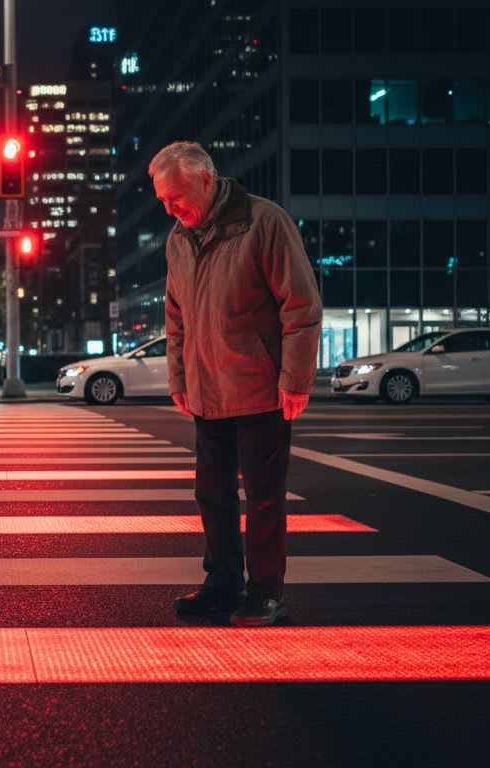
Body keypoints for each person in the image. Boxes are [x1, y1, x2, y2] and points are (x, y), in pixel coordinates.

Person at [151, 141, 322, 627]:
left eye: (176, 197)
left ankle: (266, 591)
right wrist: (179, 377)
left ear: (206, 180)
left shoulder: (263, 222)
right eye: (162, 200)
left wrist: (295, 380)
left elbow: (301, 306)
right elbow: (175, 318)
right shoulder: (178, 239)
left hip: (259, 388)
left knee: (264, 496)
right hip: (206, 392)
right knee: (213, 494)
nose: (170, 208)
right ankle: (223, 583)